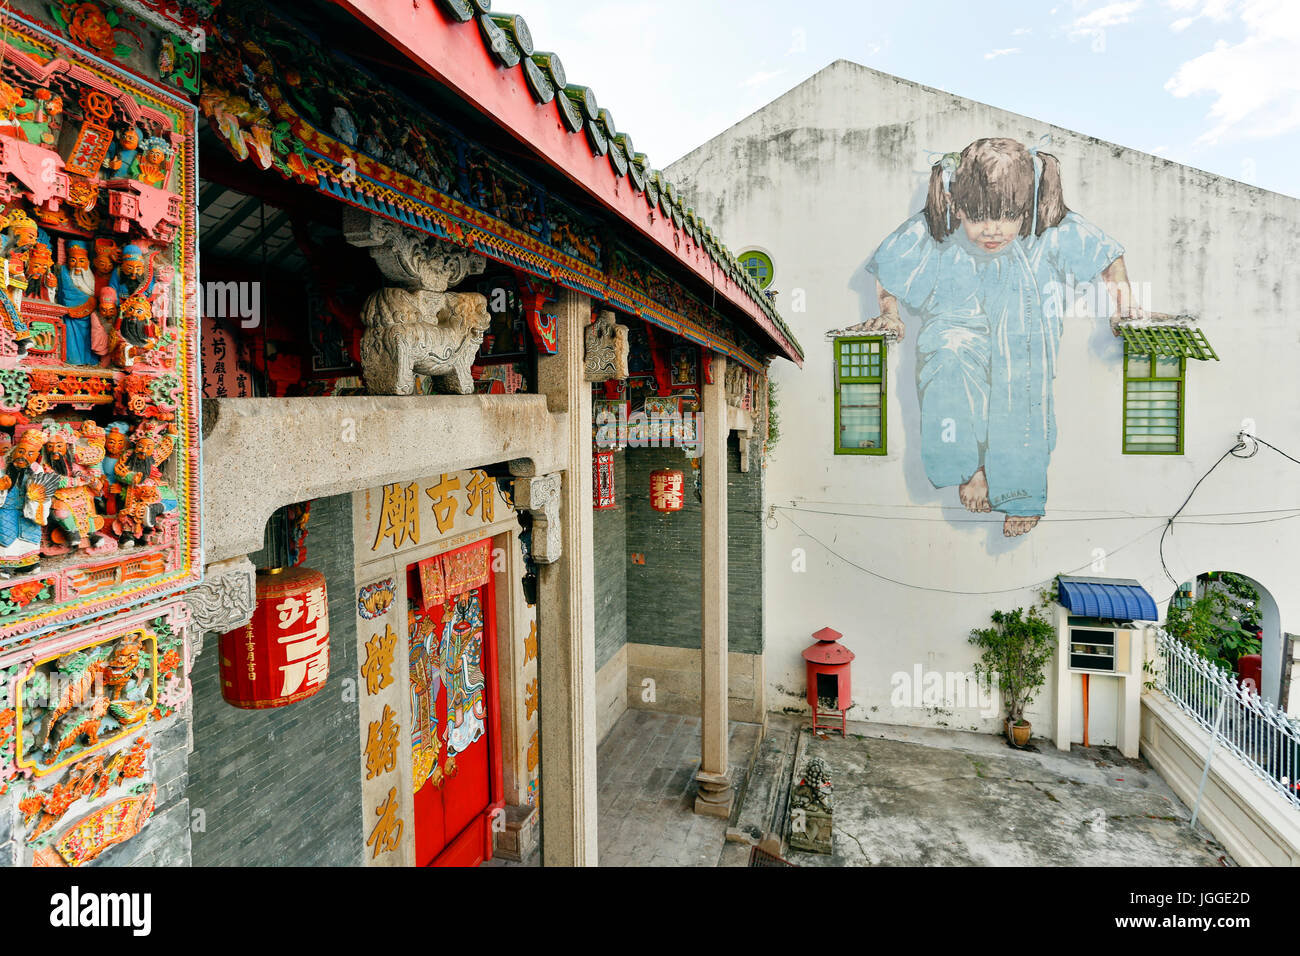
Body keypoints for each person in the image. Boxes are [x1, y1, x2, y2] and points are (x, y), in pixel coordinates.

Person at [861, 137, 1139, 537]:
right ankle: (969, 467)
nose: (992, 229)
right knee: (947, 359)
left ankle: (1020, 493)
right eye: (977, 217)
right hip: (955, 325)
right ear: (957, 207)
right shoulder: (937, 228)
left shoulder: (1050, 227)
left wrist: (1123, 305)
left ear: (1026, 210)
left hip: (1024, 333)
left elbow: (1107, 258)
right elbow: (888, 268)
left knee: (1021, 393)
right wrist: (889, 314)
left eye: (1008, 216)